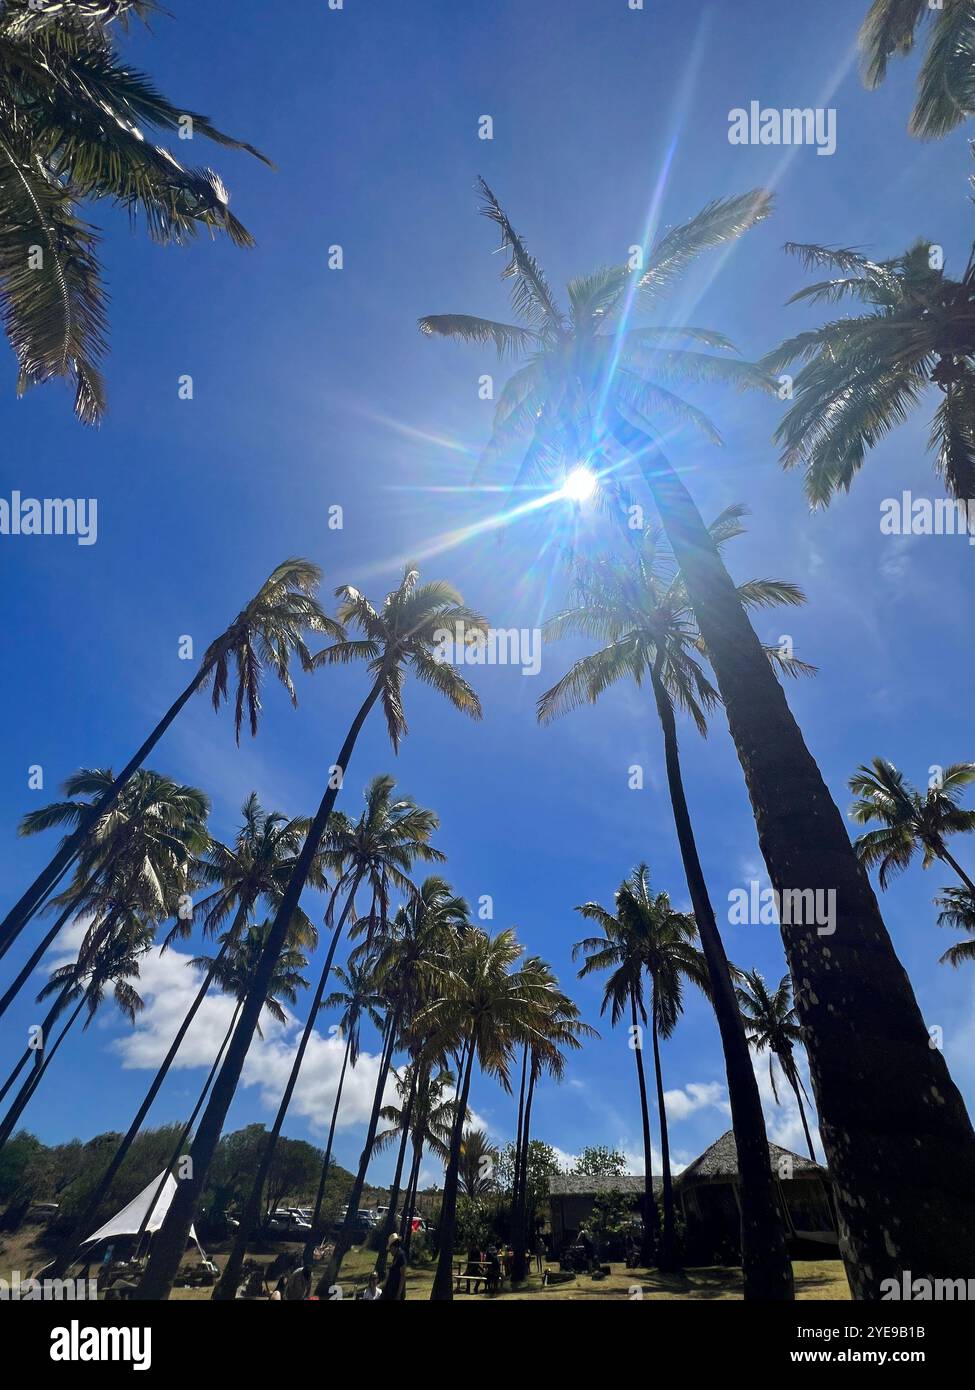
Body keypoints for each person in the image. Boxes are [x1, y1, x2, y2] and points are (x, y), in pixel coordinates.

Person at [381, 1233, 406, 1301]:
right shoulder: (396, 1257)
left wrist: (398, 1295)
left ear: (393, 1247)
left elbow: (402, 1276)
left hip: (395, 1294)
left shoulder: (401, 1256)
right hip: (390, 1293)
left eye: (390, 1249)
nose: (390, 1251)